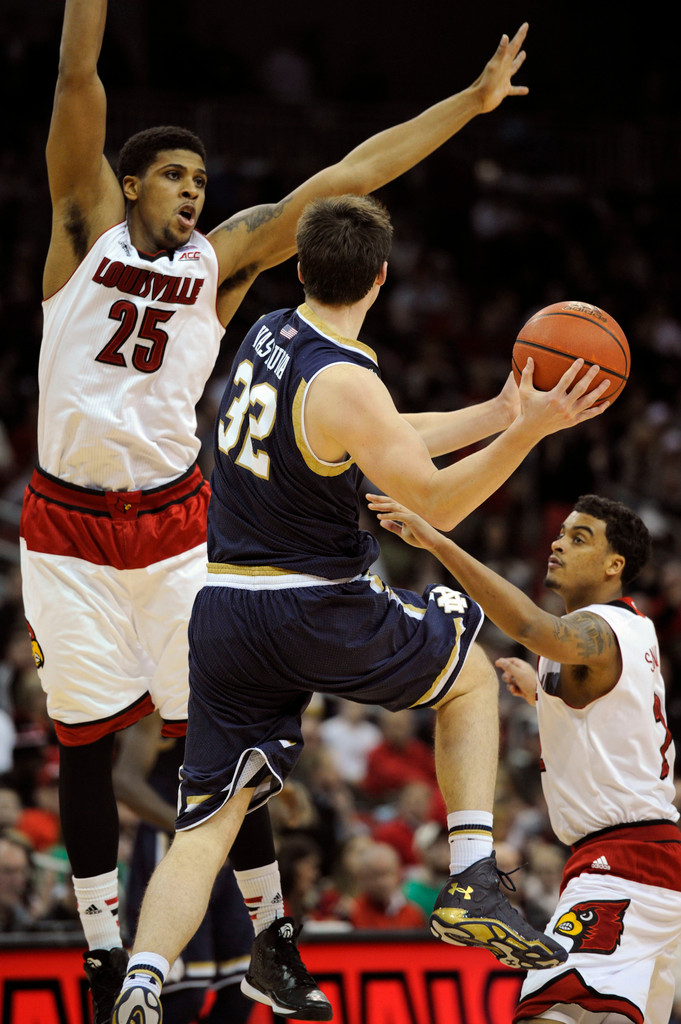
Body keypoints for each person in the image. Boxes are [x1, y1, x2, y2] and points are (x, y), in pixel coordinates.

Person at [18, 1, 539, 1019]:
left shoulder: (224, 268)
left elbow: (348, 175)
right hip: (69, 528)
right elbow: (78, 83)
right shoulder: (80, 235)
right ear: (129, 184)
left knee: (219, 751)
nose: (193, 192)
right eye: (174, 176)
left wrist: (467, 107)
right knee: (83, 737)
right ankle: (99, 948)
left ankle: (271, 937)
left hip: (176, 529)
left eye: (202, 182)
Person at [111, 193, 610, 1024]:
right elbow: (437, 503)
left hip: (225, 609)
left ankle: (142, 980)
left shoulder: (267, 333)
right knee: (470, 676)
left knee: (206, 826)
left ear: (301, 267)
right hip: (311, 606)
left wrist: (493, 414)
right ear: (380, 278)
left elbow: (373, 433)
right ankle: (472, 874)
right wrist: (530, 434)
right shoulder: (349, 378)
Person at [367, 490, 681, 1024]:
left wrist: (439, 544)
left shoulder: (599, 629)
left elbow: (535, 628)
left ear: (615, 564)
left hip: (623, 865)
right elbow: (609, 720)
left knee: (546, 1014)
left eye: (580, 539)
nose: (558, 543)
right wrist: (543, 693)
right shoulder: (624, 631)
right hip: (642, 858)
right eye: (561, 533)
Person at [112, 714, 254, 1024]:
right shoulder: (159, 702)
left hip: (223, 844)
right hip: (173, 846)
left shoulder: (233, 689)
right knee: (182, 995)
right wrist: (185, 828)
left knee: (242, 988)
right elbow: (125, 782)